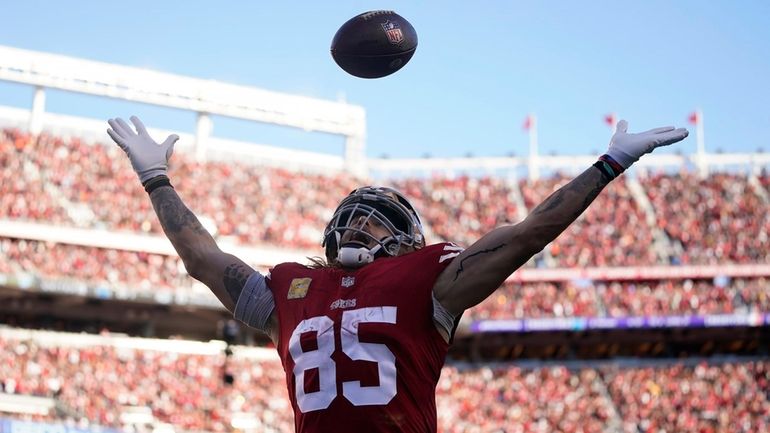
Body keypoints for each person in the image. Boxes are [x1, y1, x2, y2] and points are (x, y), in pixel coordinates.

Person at [106, 115, 687, 433]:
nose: (358, 225)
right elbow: (203, 261)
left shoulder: (430, 282)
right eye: (350, 217)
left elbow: (530, 232)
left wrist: (609, 163)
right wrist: (156, 178)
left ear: (407, 239)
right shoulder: (291, 289)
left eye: (376, 222)